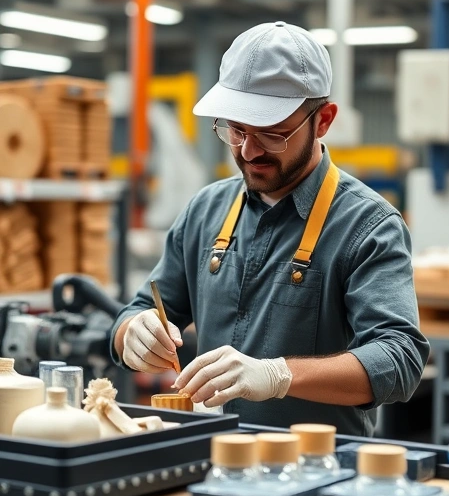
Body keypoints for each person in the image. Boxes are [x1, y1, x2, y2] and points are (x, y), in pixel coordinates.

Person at [109, 21, 429, 436]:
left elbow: (400, 359)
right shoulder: (204, 211)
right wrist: (131, 333)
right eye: (235, 129)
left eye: (272, 134)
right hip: (211, 456)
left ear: (324, 120)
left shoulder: (368, 227)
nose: (248, 150)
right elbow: (138, 310)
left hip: (317, 472)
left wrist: (279, 376)